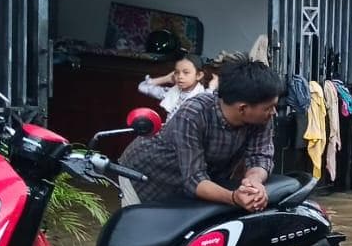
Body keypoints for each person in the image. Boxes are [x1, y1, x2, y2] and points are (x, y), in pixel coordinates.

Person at [119, 55, 282, 208]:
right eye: (269, 108)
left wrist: (254, 182)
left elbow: (260, 156)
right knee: (144, 230)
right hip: (144, 176)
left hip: (197, 184)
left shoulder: (261, 115)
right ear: (243, 109)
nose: (274, 112)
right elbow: (194, 179)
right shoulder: (194, 113)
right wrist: (234, 197)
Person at [138, 53, 208, 118]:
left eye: (186, 72)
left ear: (199, 75)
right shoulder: (171, 92)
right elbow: (142, 87)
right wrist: (165, 78)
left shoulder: (204, 98)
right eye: (177, 72)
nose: (180, 76)